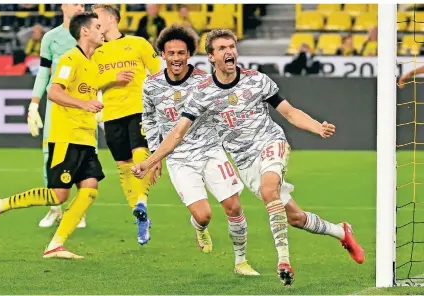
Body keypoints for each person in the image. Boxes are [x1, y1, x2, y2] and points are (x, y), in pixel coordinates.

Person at [132, 29, 364, 286]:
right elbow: (176, 133)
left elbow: (289, 112)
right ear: (211, 57)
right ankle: (342, 231)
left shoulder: (257, 80)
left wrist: (316, 127)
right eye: (221, 48)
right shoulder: (202, 93)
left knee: (268, 191)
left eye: (231, 46)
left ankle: (283, 262)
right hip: (244, 161)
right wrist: (150, 161)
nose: (229, 51)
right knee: (295, 217)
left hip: (271, 143)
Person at [0, 12, 105, 259]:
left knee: (90, 189)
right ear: (85, 31)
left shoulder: (93, 62)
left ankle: (56, 244)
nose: (102, 30)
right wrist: (82, 104)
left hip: (85, 137)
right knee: (58, 194)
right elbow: (54, 92)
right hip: (67, 137)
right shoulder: (69, 59)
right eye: (98, 26)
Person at [142, 25, 258, 275]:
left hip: (210, 150)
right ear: (162, 54)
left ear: (189, 54)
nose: (176, 58)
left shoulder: (204, 81)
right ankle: (200, 229)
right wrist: (155, 157)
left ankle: (241, 261)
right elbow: (149, 120)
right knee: (203, 215)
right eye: (170, 53)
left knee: (234, 207)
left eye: (181, 53)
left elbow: (223, 113)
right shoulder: (151, 85)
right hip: (179, 158)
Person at [91, 4, 161, 245]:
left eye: (97, 15)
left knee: (140, 155)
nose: (93, 20)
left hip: (139, 109)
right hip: (111, 115)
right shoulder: (95, 52)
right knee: (123, 165)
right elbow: (90, 85)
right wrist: (113, 80)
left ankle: (142, 199)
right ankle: (140, 215)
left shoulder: (138, 43)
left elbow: (158, 76)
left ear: (111, 19)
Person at [26, 4, 88, 229]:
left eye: (83, 3)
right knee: (49, 156)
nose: (80, 6)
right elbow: (44, 72)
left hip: (83, 105)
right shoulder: (51, 38)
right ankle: (54, 208)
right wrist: (34, 103)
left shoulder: (91, 34)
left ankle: (78, 212)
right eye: (75, 2)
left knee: (83, 157)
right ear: (63, 6)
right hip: (56, 105)